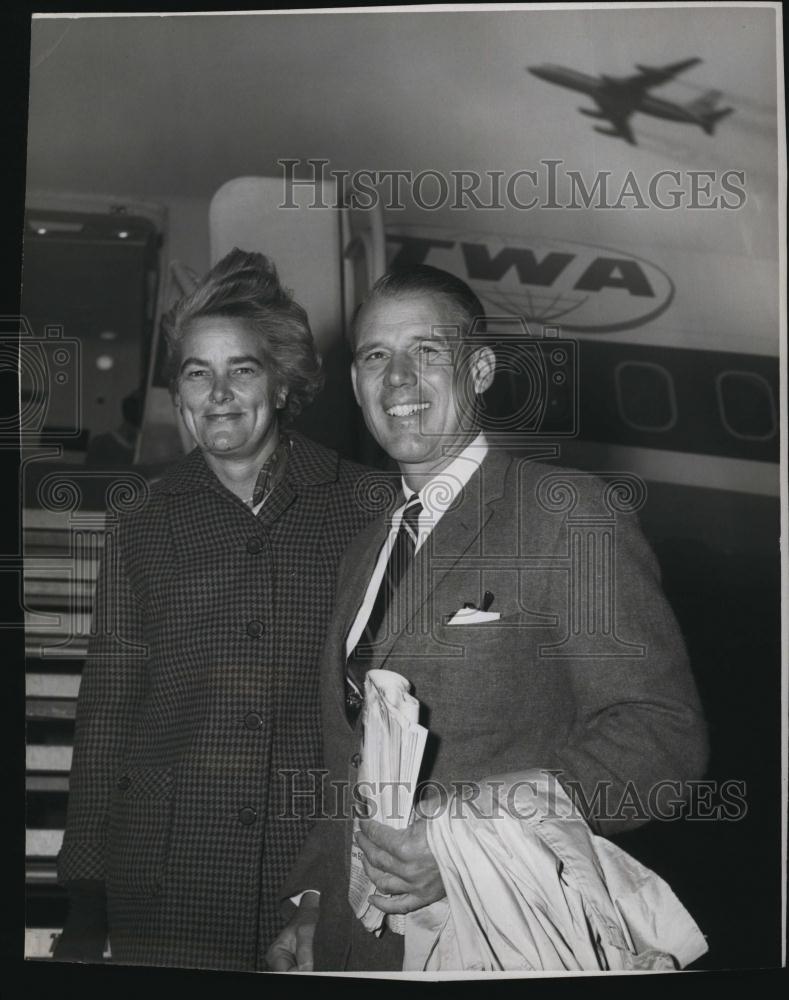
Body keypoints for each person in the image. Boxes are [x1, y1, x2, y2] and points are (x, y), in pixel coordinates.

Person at [268, 264, 709, 972]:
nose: (398, 381)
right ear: (355, 385)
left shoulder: (567, 515)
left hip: (496, 935)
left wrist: (468, 842)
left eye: (427, 352)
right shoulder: (362, 550)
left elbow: (659, 737)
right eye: (376, 356)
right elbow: (344, 758)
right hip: (355, 945)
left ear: (479, 370)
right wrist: (315, 902)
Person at [54, 249, 382, 971]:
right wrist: (85, 892)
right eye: (198, 373)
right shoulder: (141, 515)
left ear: (284, 381)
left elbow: (384, 713)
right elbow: (109, 705)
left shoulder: (366, 504)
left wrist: (349, 872)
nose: (219, 393)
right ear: (178, 393)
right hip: (167, 878)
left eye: (243, 369)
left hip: (314, 879)